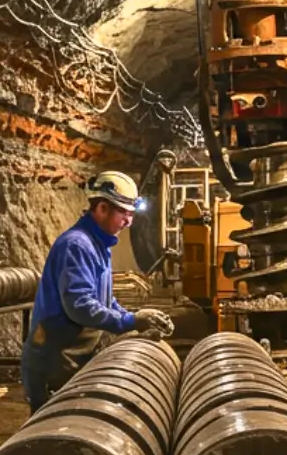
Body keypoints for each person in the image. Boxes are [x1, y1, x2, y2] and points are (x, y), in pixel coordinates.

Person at [23, 171, 175, 410]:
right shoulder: (77, 245)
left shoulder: (99, 244)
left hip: (74, 356)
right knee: (54, 436)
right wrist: (130, 321)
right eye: (124, 214)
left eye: (132, 214)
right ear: (102, 208)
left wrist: (136, 316)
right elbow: (80, 306)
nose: (129, 222)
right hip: (57, 359)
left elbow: (103, 299)